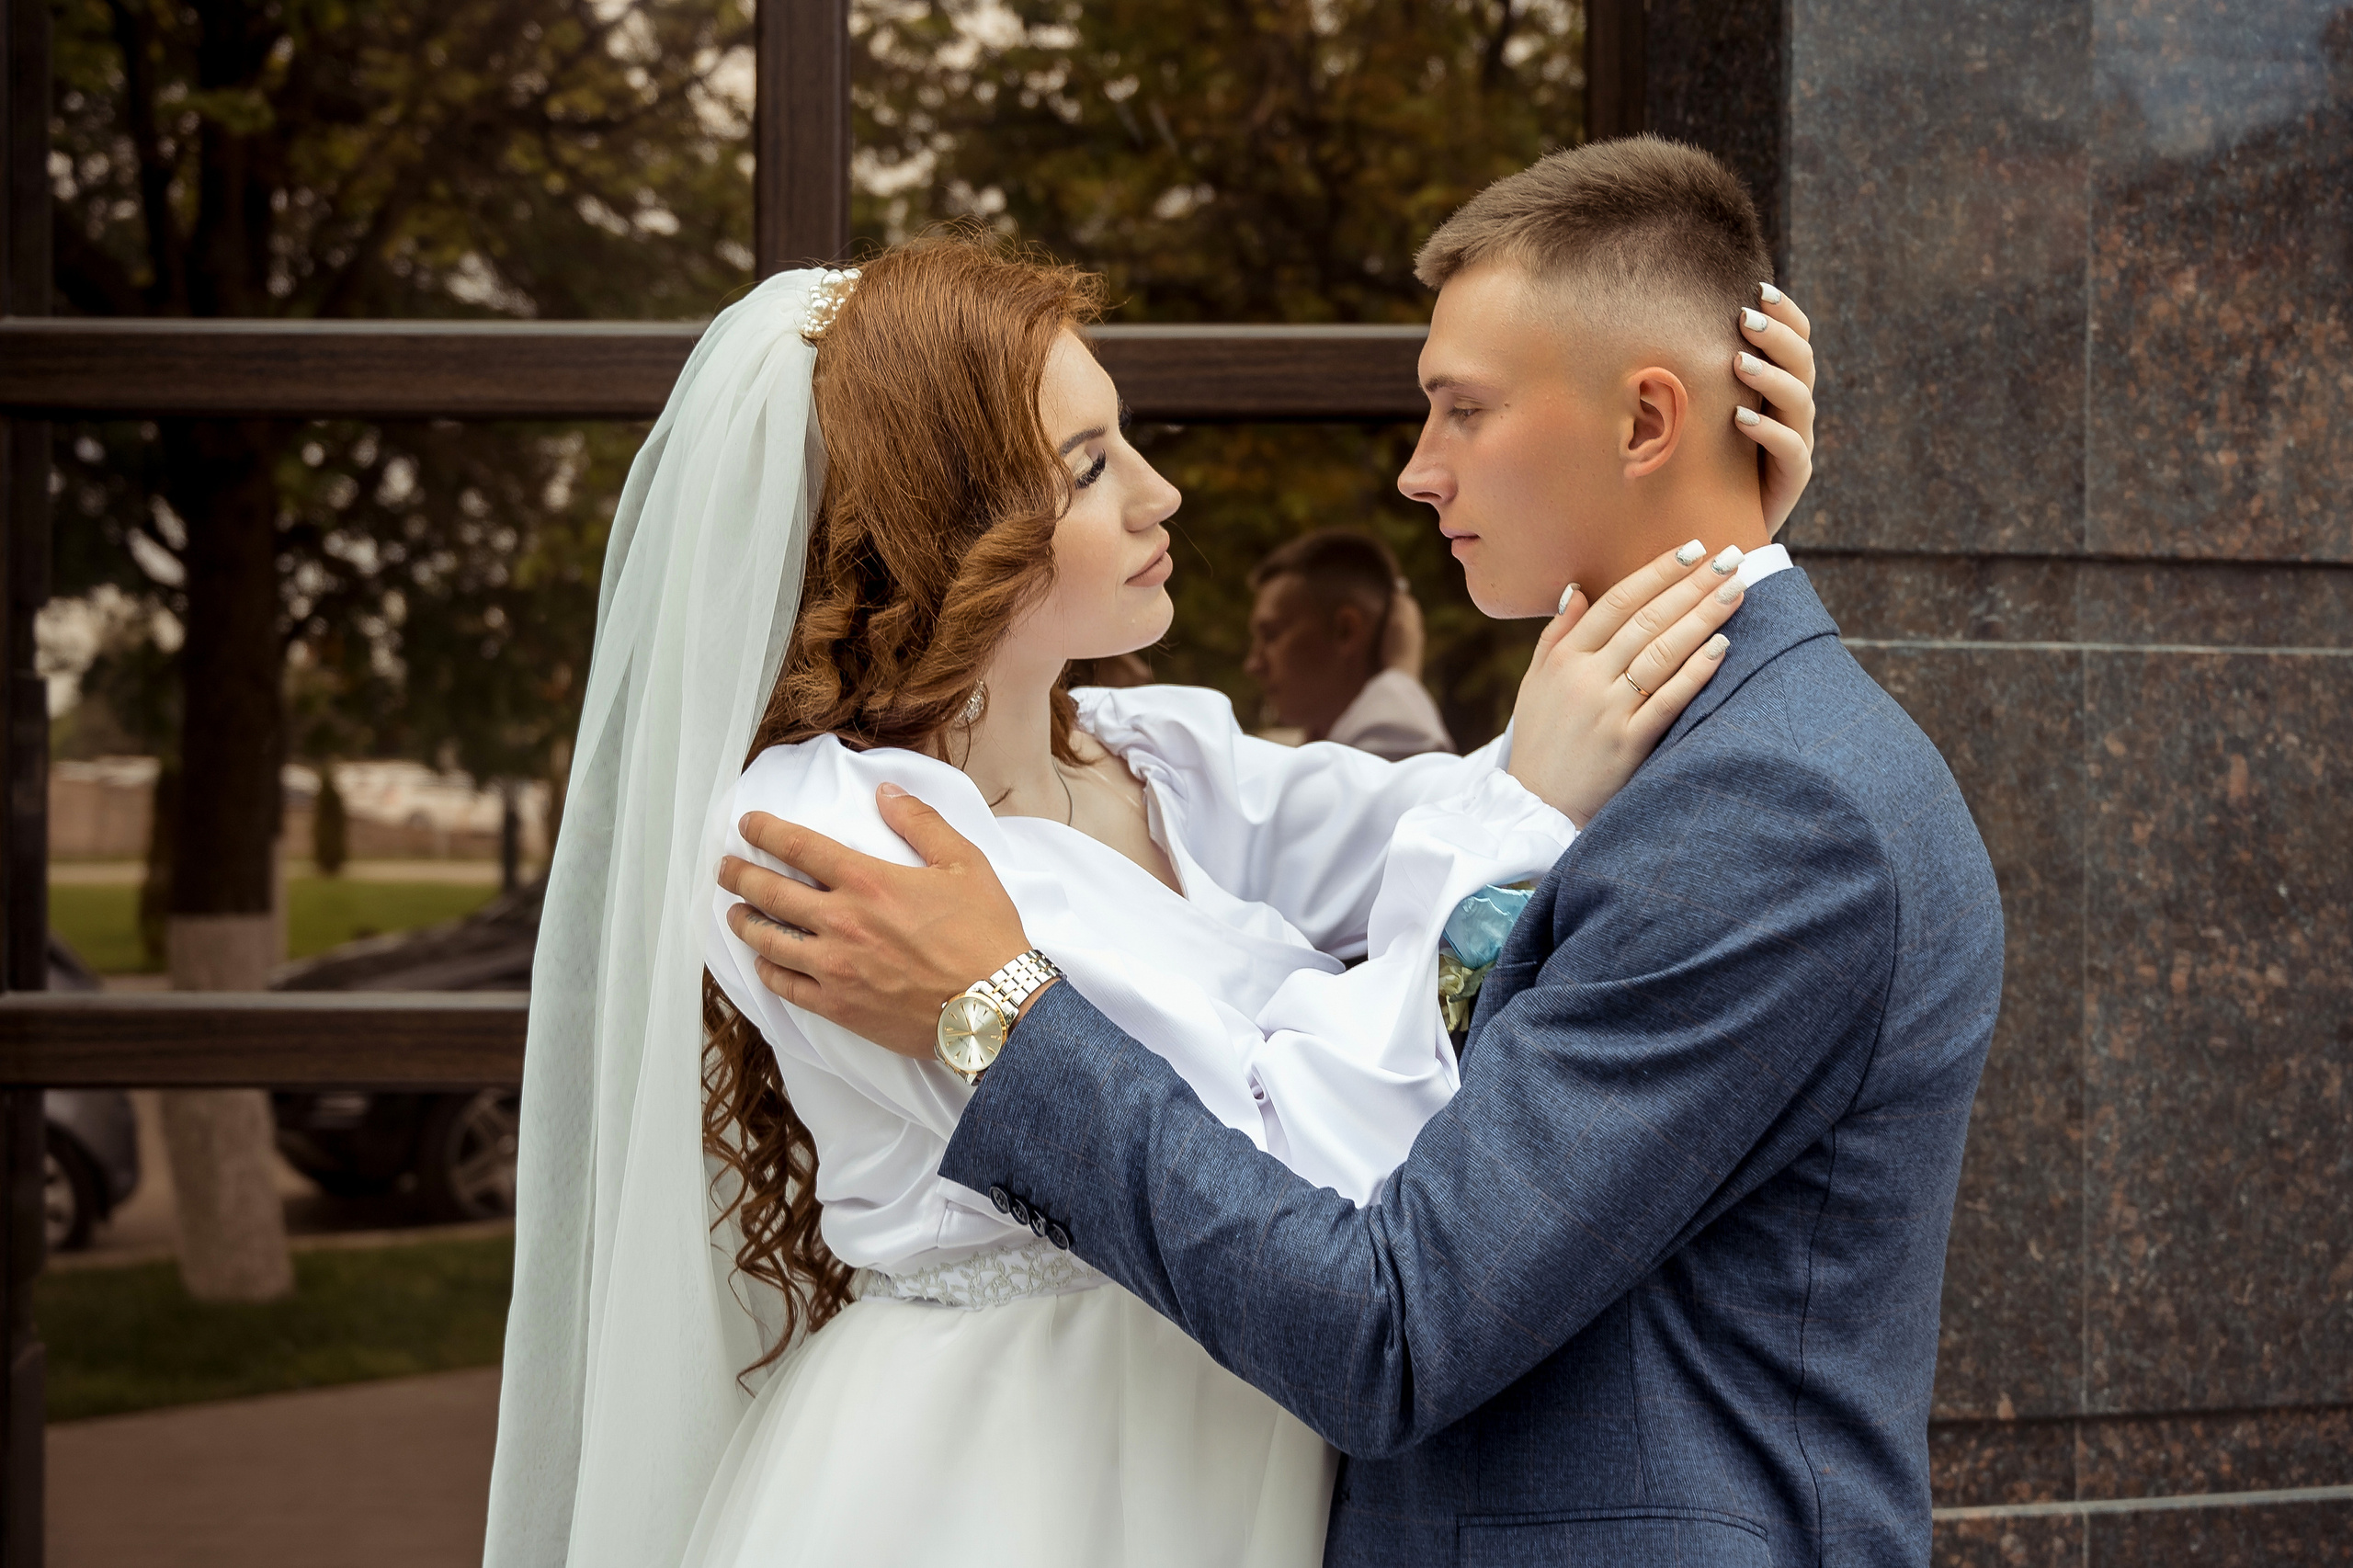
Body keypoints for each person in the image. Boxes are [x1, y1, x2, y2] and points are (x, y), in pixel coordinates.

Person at [719, 138, 1996, 1565]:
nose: (1412, 471)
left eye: (1462, 410)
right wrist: (1710, 537)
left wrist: (997, 1011)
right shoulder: (856, 828)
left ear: (1646, 421)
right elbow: (1463, 828)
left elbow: (1388, 1318)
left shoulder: (1772, 814)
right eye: (1090, 464)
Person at [485, 219, 1821, 1568]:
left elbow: (1479, 796)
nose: (1157, 493)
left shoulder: (1144, 758)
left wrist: (1702, 517)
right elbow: (1305, 1154)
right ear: (943, 520)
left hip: (1220, 1443)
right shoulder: (837, 838)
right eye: (1087, 467)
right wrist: (1528, 807)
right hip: (1015, 1471)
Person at [1244, 528, 1455, 759]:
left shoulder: (1398, 740)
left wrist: (1398, 680)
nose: (1254, 665)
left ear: (1346, 631)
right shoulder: (1329, 749)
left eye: (1271, 635)